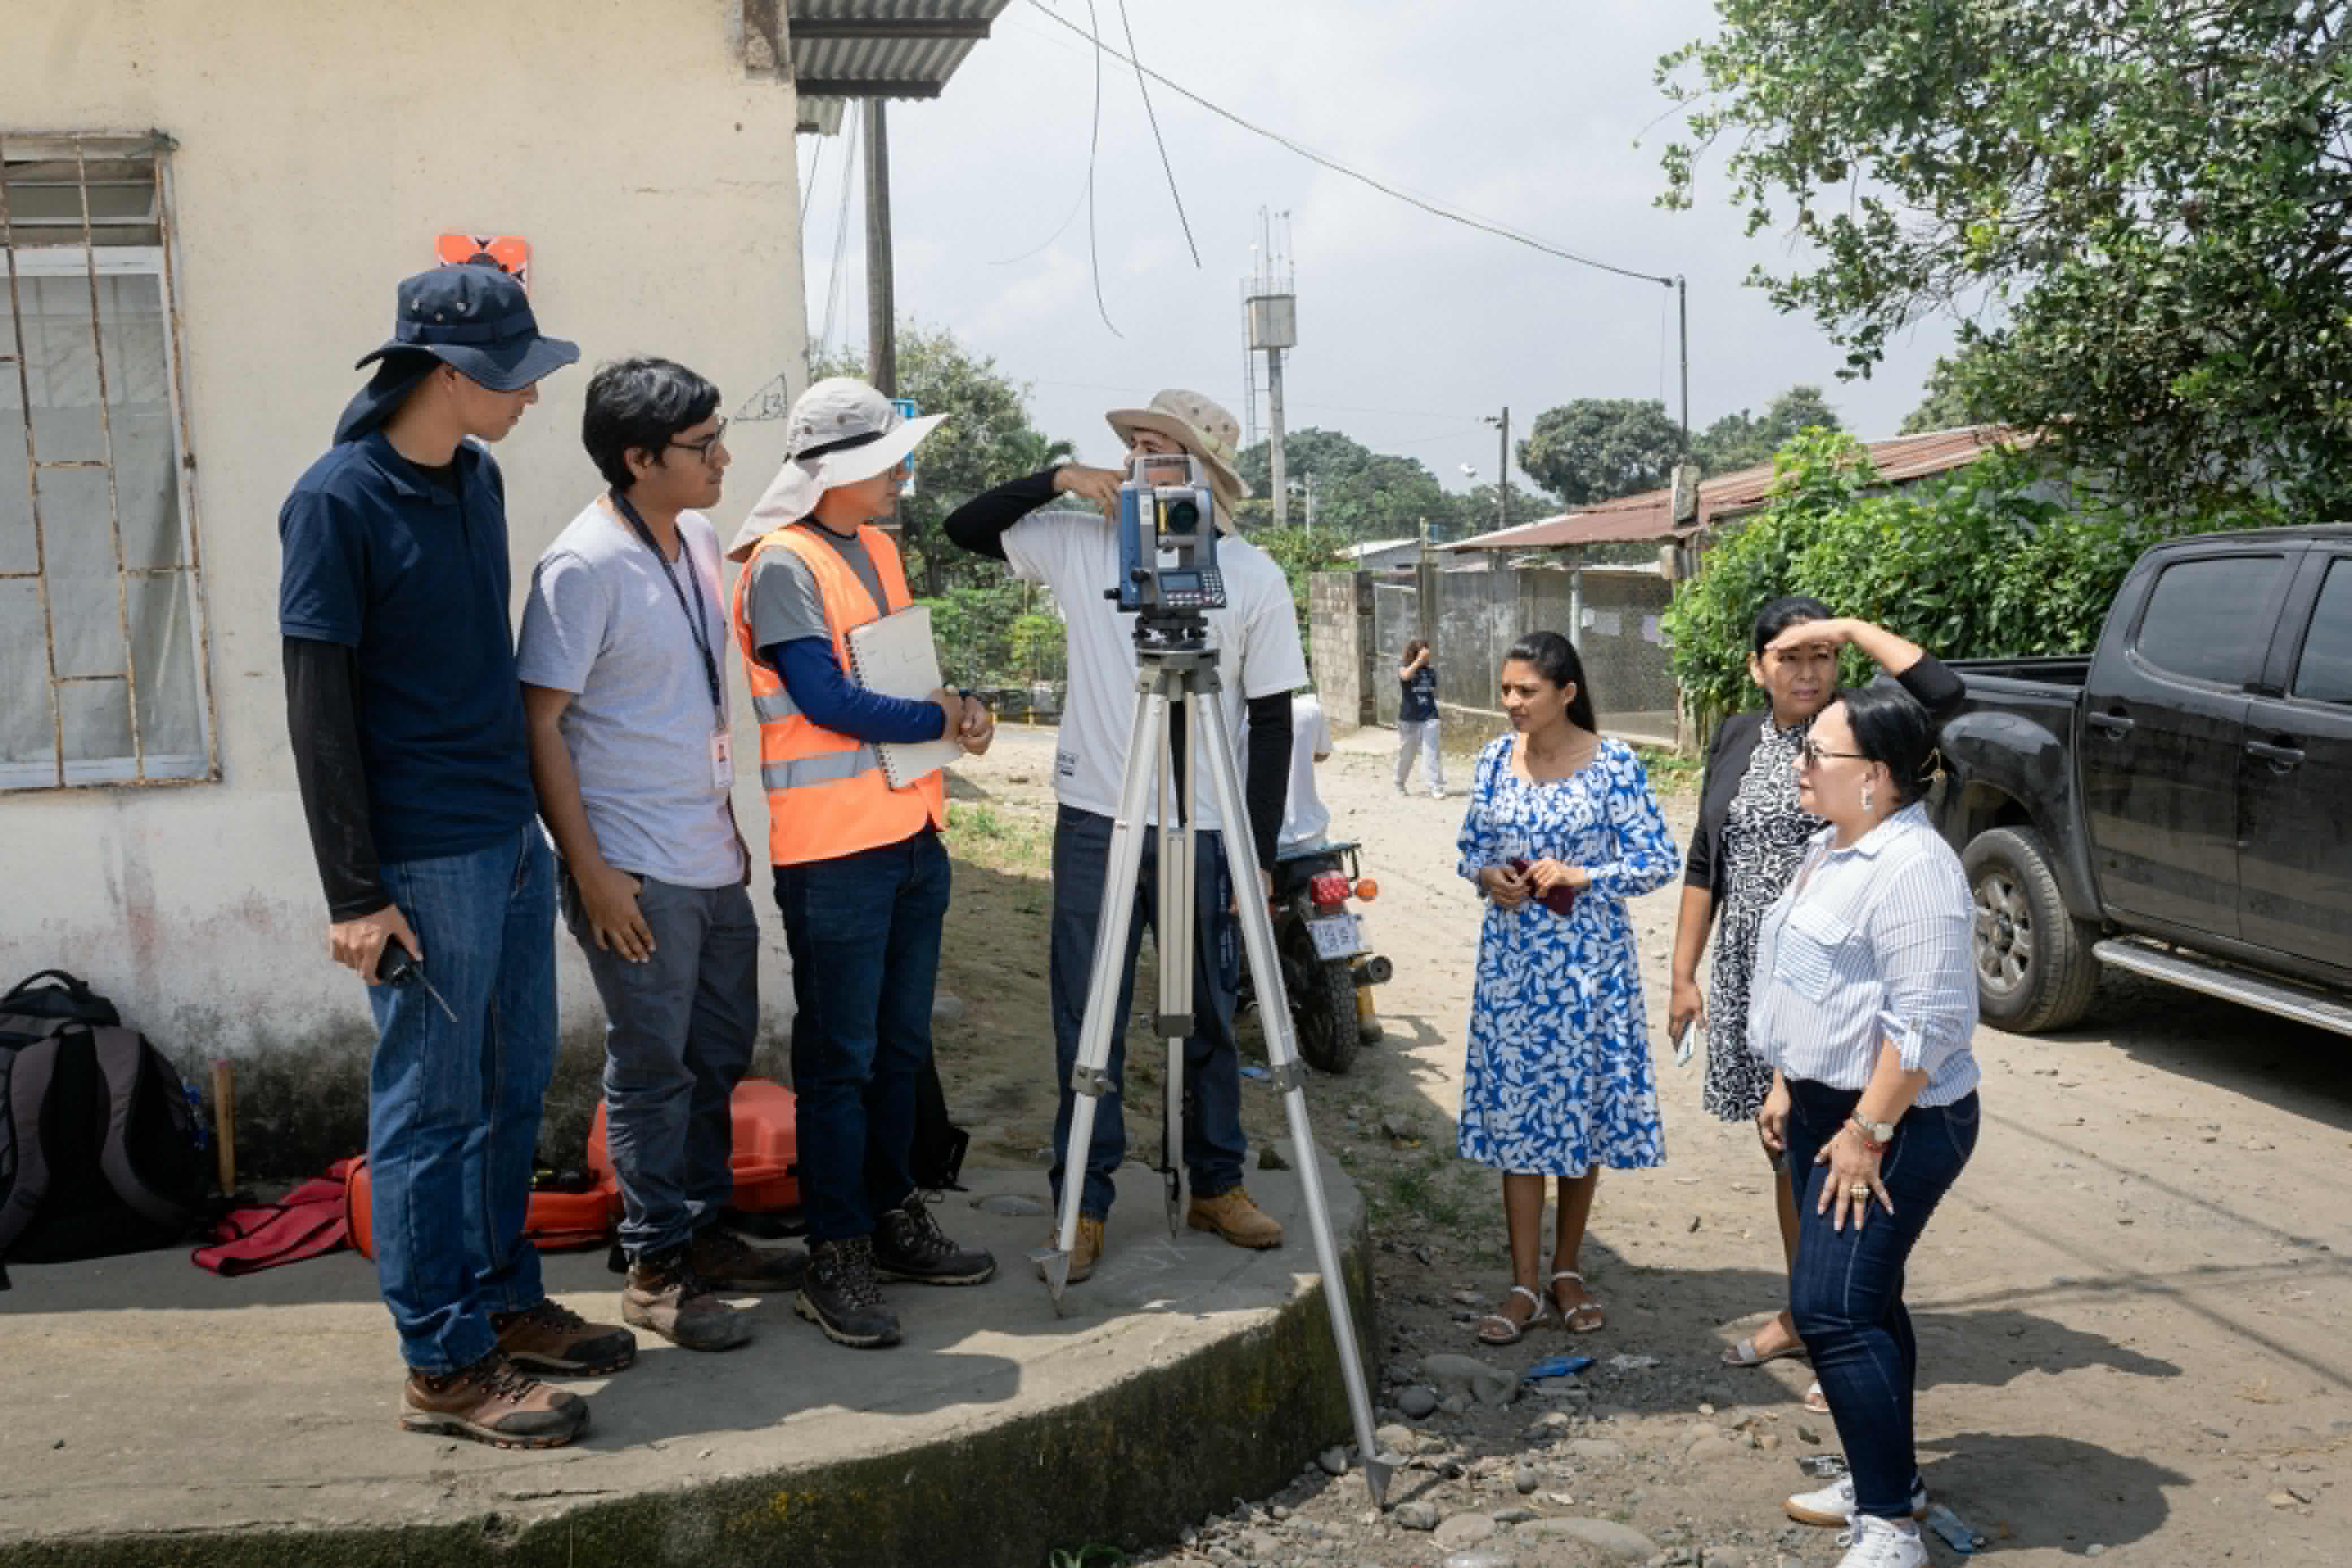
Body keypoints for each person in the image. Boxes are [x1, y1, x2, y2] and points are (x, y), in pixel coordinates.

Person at [279, 263, 628, 1450]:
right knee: (429, 1113)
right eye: (513, 374)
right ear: (444, 372)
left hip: (506, 836)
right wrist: (355, 893)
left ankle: (501, 1301)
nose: (531, 395)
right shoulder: (337, 501)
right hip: (422, 860)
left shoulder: (475, 479)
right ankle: (440, 1361)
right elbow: (318, 710)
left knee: (510, 1086)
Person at [942, 389, 1307, 1283]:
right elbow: (964, 528)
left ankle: (1216, 1179)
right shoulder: (1081, 541)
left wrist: (1257, 854)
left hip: (1205, 822)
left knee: (1210, 1005)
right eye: (1135, 442)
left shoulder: (1251, 575)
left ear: (1205, 472)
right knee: (1087, 1011)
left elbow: (1271, 724)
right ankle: (1084, 1197)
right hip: (1097, 817)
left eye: (1161, 445)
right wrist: (1059, 478)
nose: (1141, 456)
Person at [517, 357, 806, 1357]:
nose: (724, 457)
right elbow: (539, 726)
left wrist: (728, 829)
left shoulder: (697, 537)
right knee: (652, 1071)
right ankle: (653, 1270)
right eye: (702, 444)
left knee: (719, 1055)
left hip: (709, 855)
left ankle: (704, 1231)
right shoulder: (582, 566)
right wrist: (591, 871)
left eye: (721, 435)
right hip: (634, 869)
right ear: (638, 458)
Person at [725, 378, 998, 1350]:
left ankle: (888, 1215)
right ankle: (834, 1249)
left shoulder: (876, 548)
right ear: (834, 470)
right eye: (888, 460)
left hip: (910, 836)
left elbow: (900, 674)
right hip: (834, 855)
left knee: (896, 1050)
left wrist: (960, 705)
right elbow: (827, 699)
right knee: (839, 1062)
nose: (902, 474)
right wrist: (939, 715)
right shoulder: (782, 563)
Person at [1666, 600, 1961, 1411]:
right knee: (1789, 1158)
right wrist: (1684, 971)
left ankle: (1845, 1322)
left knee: (1848, 1167)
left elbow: (1944, 694)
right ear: (1756, 666)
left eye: (1820, 655)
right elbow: (1707, 856)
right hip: (1757, 978)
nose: (1806, 672)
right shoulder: (1737, 735)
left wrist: (1858, 629)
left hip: (1843, 989)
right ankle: (1809, 1311)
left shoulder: (1863, 737)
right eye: (1787, 656)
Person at [1749, 685, 1978, 1568]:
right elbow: (1806, 980)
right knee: (1867, 1297)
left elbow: (1925, 1026)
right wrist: (1785, 1081)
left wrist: (1866, 1132)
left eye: (1818, 753)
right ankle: (1888, 1479)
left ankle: (1890, 1527)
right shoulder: (1834, 846)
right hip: (1826, 1108)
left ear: (1876, 776)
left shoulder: (1915, 869)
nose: (1801, 764)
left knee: (1830, 1307)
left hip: (1898, 1119)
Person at [1454, 632, 1680, 1344]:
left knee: (1580, 1112)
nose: (1511, 702)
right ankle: (1522, 1282)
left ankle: (1567, 1269)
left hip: (1589, 969)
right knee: (1519, 1119)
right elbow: (1470, 846)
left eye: (1526, 690)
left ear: (1567, 693)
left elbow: (1657, 859)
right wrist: (1488, 876)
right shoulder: (1494, 758)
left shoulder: (1614, 764)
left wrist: (1586, 874)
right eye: (1505, 689)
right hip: (1513, 969)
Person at [1277, 688, 1335, 856]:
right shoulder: (1311, 710)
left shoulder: (1239, 716)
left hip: (1258, 839)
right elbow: (1323, 754)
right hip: (1311, 834)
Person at [1396, 639, 1443, 798]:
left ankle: (1436, 786)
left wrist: (1424, 665)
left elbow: (1432, 689)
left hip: (1430, 716)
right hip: (1409, 719)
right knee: (1407, 754)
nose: (1427, 655)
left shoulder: (1431, 671)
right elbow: (1405, 676)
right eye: (1424, 652)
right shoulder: (1404, 667)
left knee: (1431, 752)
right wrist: (1418, 662)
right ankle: (1399, 782)